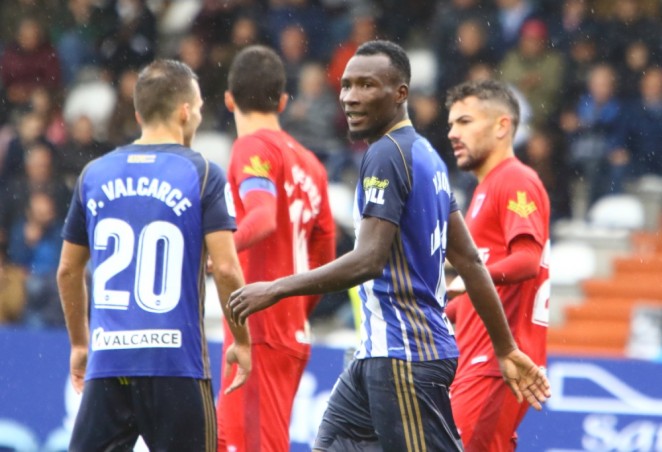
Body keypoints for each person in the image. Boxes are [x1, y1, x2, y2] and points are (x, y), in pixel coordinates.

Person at [228, 40, 551, 451]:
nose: (350, 97)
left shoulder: (386, 154)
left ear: (400, 94)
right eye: (346, 86)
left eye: (366, 85)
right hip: (378, 354)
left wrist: (275, 288)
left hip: (406, 355)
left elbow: (368, 260)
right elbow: (469, 260)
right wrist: (505, 348)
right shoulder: (426, 156)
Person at [56, 59, 251, 451]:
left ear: (138, 112)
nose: (197, 115)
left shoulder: (93, 174)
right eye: (197, 107)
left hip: (109, 365)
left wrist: (80, 344)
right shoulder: (204, 173)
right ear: (184, 111)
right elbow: (227, 268)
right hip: (176, 365)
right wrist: (242, 340)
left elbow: (67, 271)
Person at [216, 45, 336, 452]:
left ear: (229, 99)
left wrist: (215, 252)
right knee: (223, 441)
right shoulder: (312, 165)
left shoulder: (251, 147)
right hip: (287, 329)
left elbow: (263, 217)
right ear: (283, 101)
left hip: (259, 327)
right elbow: (324, 257)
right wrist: (295, 311)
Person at [444, 79, 551, 451]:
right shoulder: (485, 188)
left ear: (502, 126)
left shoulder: (515, 180)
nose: (452, 133)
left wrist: (471, 278)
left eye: (465, 122)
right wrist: (444, 308)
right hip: (480, 360)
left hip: (495, 363)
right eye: (451, 124)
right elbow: (483, 286)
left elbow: (527, 261)